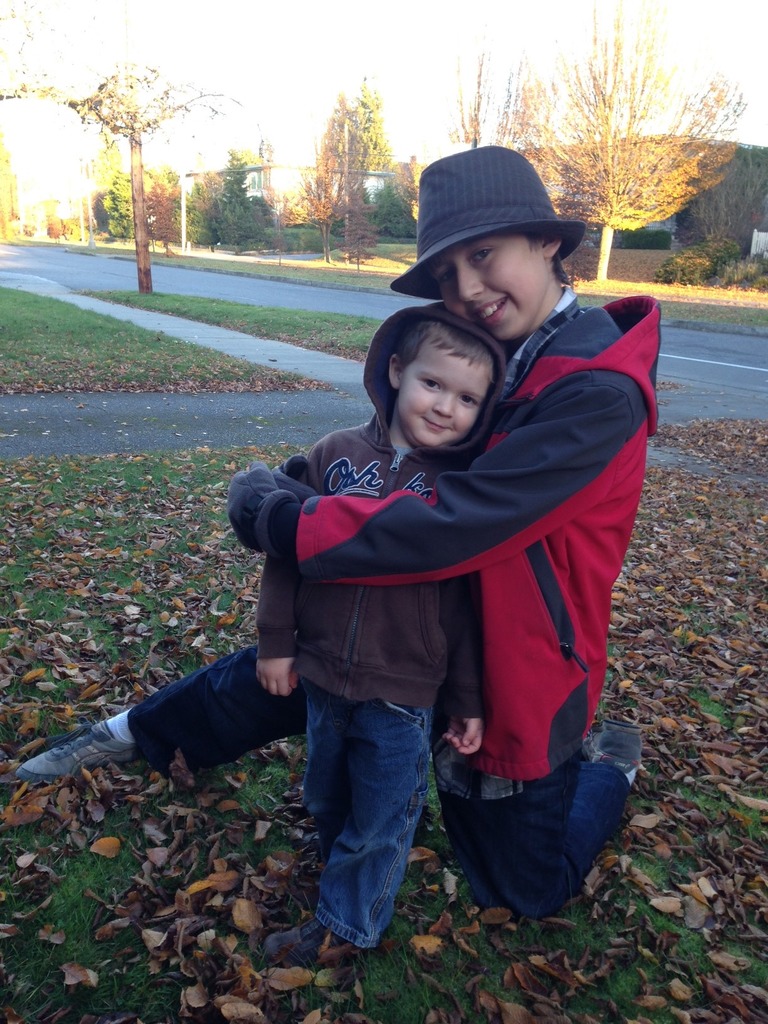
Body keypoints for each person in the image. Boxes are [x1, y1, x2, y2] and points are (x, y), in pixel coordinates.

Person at [16, 145, 659, 924]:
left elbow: (458, 523)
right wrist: (300, 483)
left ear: (548, 241)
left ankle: (610, 767)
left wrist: (290, 521)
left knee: (520, 891)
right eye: (447, 272)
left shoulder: (597, 391)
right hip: (407, 615)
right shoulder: (500, 348)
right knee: (290, 665)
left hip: (513, 662)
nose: (466, 290)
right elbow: (394, 456)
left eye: (483, 256)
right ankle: (129, 733)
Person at [248, 308, 500, 965]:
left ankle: (347, 925)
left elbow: (463, 606)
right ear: (395, 371)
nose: (445, 407)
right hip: (324, 676)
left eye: (467, 398)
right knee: (326, 794)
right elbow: (286, 552)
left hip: (403, 693)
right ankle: (341, 862)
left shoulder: (459, 492)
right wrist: (276, 640)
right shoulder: (333, 455)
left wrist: (466, 699)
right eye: (433, 384)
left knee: (383, 816)